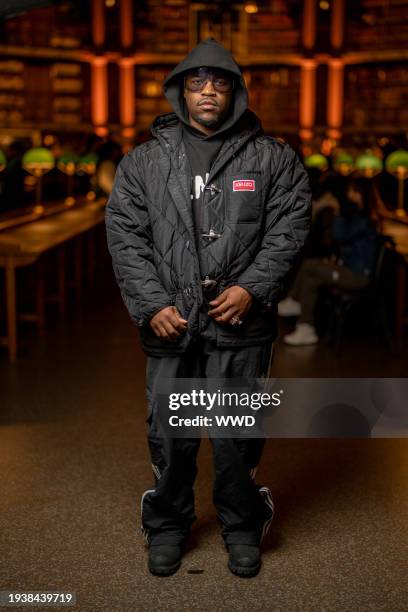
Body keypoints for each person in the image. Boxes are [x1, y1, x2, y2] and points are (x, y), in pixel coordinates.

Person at [105, 38, 311, 577]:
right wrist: (151, 304)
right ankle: (168, 526)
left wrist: (253, 287)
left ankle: (242, 527)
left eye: (219, 82)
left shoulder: (272, 157)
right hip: (170, 324)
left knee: (235, 436)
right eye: (196, 82)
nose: (208, 91)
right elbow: (125, 236)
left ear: (236, 92)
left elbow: (290, 227)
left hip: (241, 324)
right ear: (180, 92)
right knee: (170, 436)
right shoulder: (143, 161)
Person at [279, 178, 381, 345]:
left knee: (309, 266)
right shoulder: (362, 217)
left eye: (353, 191)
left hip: (357, 277)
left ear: (362, 195)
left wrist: (338, 210)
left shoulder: (365, 220)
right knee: (311, 277)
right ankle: (306, 326)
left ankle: (296, 305)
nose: (349, 195)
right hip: (349, 270)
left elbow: (339, 235)